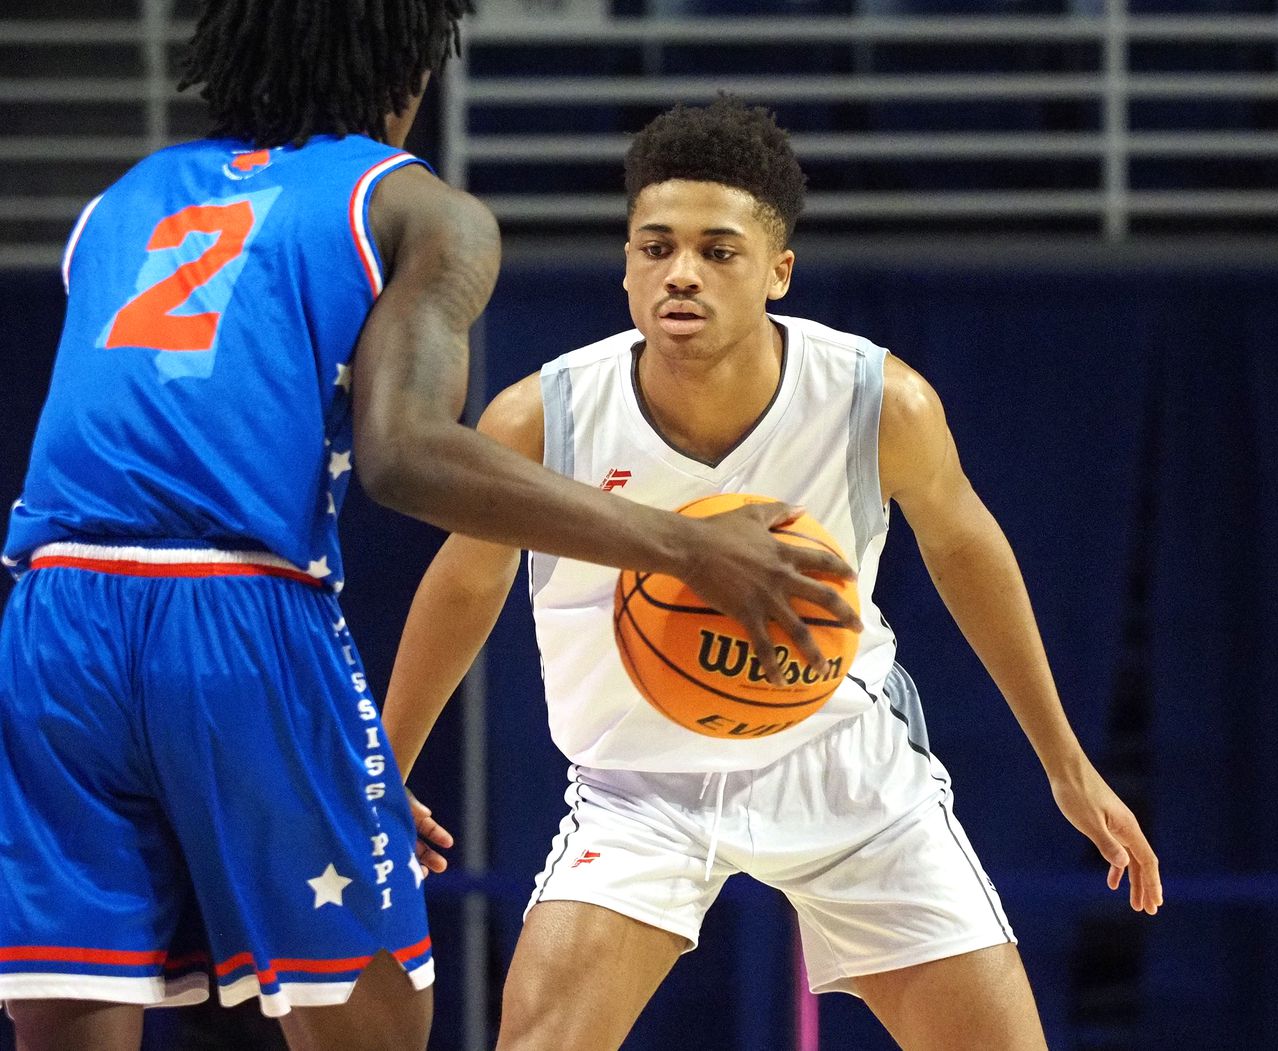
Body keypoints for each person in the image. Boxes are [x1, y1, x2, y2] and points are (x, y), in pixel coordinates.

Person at [0, 9, 858, 1050]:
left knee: (71, 1000)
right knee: (375, 1013)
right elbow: (404, 457)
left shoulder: (119, 202)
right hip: (235, 603)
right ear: (408, 70)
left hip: (51, 616)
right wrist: (680, 543)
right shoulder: (413, 206)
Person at [381, 95, 1164, 1050]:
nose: (681, 274)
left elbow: (966, 550)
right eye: (655, 246)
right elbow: (468, 582)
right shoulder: (541, 419)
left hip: (844, 772)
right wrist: (383, 765)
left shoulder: (880, 402)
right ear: (624, 263)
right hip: (639, 787)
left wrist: (1068, 765)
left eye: (718, 251)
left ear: (777, 271)